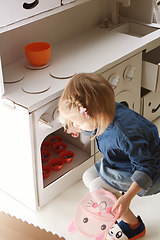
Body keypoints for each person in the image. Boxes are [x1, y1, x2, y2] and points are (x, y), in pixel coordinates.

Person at [58, 72, 160, 240]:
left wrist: (127, 199)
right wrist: (76, 126)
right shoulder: (103, 111)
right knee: (88, 176)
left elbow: (147, 167)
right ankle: (111, 204)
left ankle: (134, 226)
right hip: (121, 161)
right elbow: (87, 123)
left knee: (97, 187)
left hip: (149, 170)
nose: (77, 126)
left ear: (95, 116)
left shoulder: (125, 135)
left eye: (80, 123)